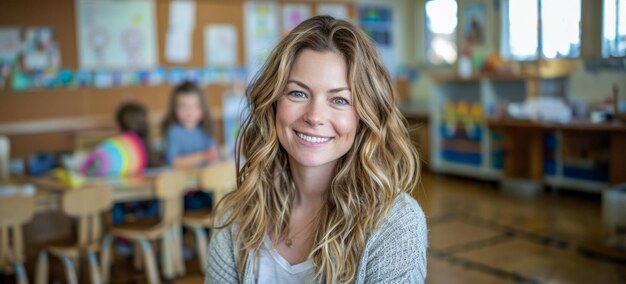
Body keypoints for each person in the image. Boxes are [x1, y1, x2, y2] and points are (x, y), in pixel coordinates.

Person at [206, 15, 427, 283]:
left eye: (339, 99)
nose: (314, 116)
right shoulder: (236, 214)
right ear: (273, 102)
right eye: (298, 93)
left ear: (365, 116)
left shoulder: (395, 222)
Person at [79, 101, 159, 225]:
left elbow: (88, 168)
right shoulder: (147, 147)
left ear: (119, 124)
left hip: (121, 208)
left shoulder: (114, 145)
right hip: (147, 214)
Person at [162, 81, 221, 211]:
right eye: (183, 107)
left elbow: (215, 157)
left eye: (195, 107)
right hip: (183, 191)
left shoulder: (205, 130)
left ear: (202, 108)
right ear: (174, 109)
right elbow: (174, 162)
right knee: (198, 205)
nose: (189, 112)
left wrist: (211, 158)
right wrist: (204, 156)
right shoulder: (174, 132)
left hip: (206, 186)